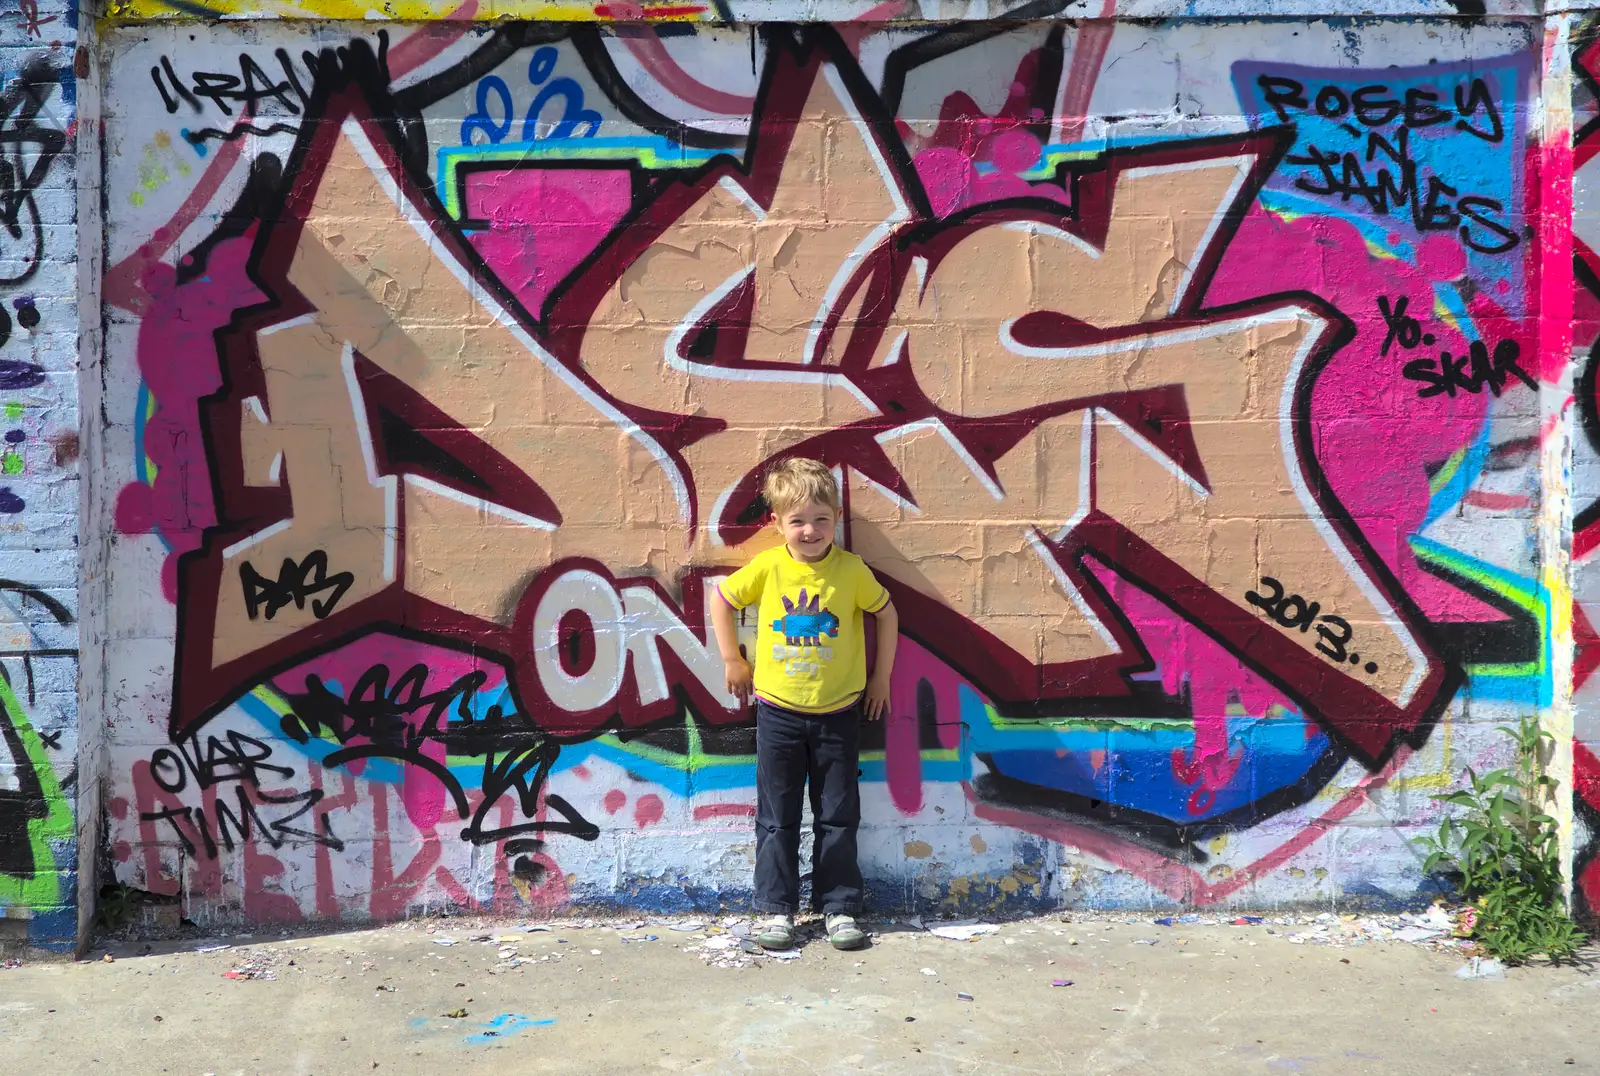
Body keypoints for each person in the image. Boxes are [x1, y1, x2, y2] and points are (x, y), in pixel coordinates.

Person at [710, 457, 899, 952]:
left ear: (836, 519)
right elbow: (723, 600)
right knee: (777, 817)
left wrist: (880, 679)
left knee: (838, 816)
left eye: (820, 518)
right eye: (797, 520)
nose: (810, 530)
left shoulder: (852, 571)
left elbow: (888, 613)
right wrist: (733, 658)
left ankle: (838, 908)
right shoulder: (769, 567)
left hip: (839, 713)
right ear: (777, 524)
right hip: (778, 712)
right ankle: (777, 911)